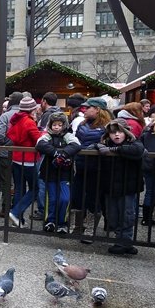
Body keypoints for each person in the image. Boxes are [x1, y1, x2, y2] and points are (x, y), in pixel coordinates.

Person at [94, 119, 144, 255]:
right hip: (110, 186)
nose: (116, 135)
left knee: (126, 214)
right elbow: (92, 146)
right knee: (112, 214)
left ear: (126, 132)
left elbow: (138, 150)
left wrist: (113, 150)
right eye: (112, 133)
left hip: (128, 187)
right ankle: (123, 240)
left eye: (120, 132)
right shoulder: (104, 143)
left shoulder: (134, 143)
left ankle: (124, 241)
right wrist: (99, 147)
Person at [70, 97, 112, 240]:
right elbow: (75, 140)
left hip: (98, 167)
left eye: (88, 107)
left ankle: (90, 229)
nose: (85, 109)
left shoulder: (108, 127)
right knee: (77, 196)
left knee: (93, 198)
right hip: (80, 165)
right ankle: (77, 226)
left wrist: (95, 147)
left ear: (98, 109)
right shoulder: (82, 124)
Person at [35, 112, 81, 233]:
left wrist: (64, 154)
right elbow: (40, 144)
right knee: (52, 198)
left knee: (65, 199)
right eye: (54, 124)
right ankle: (50, 221)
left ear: (63, 125)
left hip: (65, 173)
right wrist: (56, 153)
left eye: (59, 125)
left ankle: (62, 223)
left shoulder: (68, 135)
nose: (56, 127)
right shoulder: (47, 136)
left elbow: (76, 145)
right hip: (50, 172)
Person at [6, 96, 43, 227]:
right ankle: (15, 213)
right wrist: (43, 134)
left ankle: (18, 220)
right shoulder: (29, 121)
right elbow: (37, 140)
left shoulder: (16, 120)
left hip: (16, 157)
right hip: (28, 159)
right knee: (35, 189)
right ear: (32, 109)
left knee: (19, 189)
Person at [0, 91, 23, 218]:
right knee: (19, 182)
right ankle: (18, 210)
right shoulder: (26, 116)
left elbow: (0, 135)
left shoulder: (5, 116)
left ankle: (5, 208)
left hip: (6, 153)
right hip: (22, 154)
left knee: (6, 182)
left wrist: (5, 143)